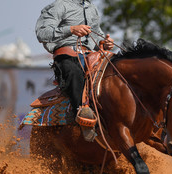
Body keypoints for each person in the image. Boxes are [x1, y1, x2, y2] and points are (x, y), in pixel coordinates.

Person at [35, 0, 114, 141]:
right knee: (74, 73)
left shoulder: (92, 8)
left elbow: (96, 35)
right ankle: (83, 116)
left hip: (91, 56)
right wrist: (70, 30)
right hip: (67, 55)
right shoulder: (60, 5)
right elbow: (42, 33)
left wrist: (105, 42)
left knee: (117, 71)